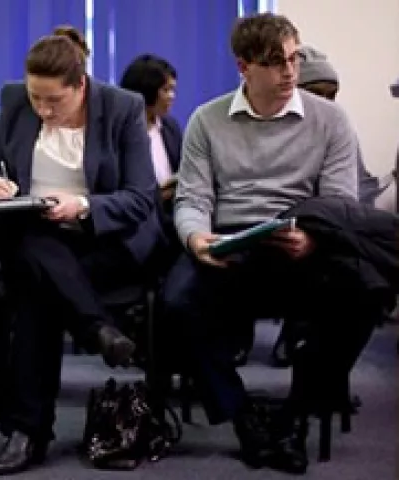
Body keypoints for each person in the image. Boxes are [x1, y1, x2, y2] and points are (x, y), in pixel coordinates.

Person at [163, 13, 380, 474]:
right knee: (176, 301)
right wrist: (196, 237)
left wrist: (314, 237)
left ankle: (293, 417)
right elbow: (193, 198)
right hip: (231, 244)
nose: (289, 72)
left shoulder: (330, 120)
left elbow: (340, 201)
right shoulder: (208, 119)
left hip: (303, 242)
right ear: (244, 68)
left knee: (364, 294)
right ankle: (243, 417)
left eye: (294, 59)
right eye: (275, 62)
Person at [0, 25, 161, 476]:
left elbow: (142, 197)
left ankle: (28, 434)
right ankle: (98, 328)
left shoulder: (122, 108)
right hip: (31, 234)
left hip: (102, 240)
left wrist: (82, 205)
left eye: (53, 101)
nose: (41, 109)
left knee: (36, 294)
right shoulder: (14, 101)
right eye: (34, 97)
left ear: (80, 86)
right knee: (31, 248)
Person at [295, 45, 382, 205]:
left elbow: (362, 187)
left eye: (331, 95)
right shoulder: (278, 134)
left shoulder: (339, 127)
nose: (325, 104)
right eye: (316, 94)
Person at [119, 54, 182, 203]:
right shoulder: (118, 132)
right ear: (146, 91)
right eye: (166, 90)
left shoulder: (170, 127)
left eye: (173, 90)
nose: (171, 96)